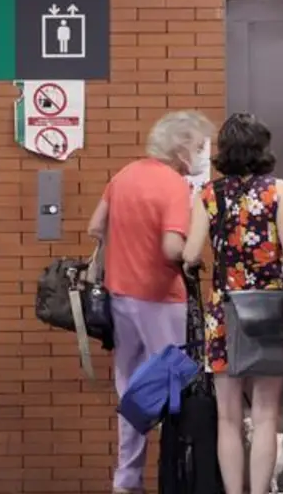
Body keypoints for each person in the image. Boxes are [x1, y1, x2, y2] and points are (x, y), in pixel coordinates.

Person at [180, 113, 283, 494]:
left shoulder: (208, 194)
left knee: (228, 417)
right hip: (270, 310)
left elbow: (191, 254)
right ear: (262, 148)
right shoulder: (278, 190)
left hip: (224, 311)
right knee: (265, 415)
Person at [87, 110, 215, 494]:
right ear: (180, 147)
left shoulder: (124, 175)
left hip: (120, 296)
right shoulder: (174, 185)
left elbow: (96, 226)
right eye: (198, 145)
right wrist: (192, 256)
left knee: (131, 389)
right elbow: (172, 247)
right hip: (162, 298)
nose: (202, 153)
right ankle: (176, 472)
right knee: (174, 387)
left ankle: (127, 478)